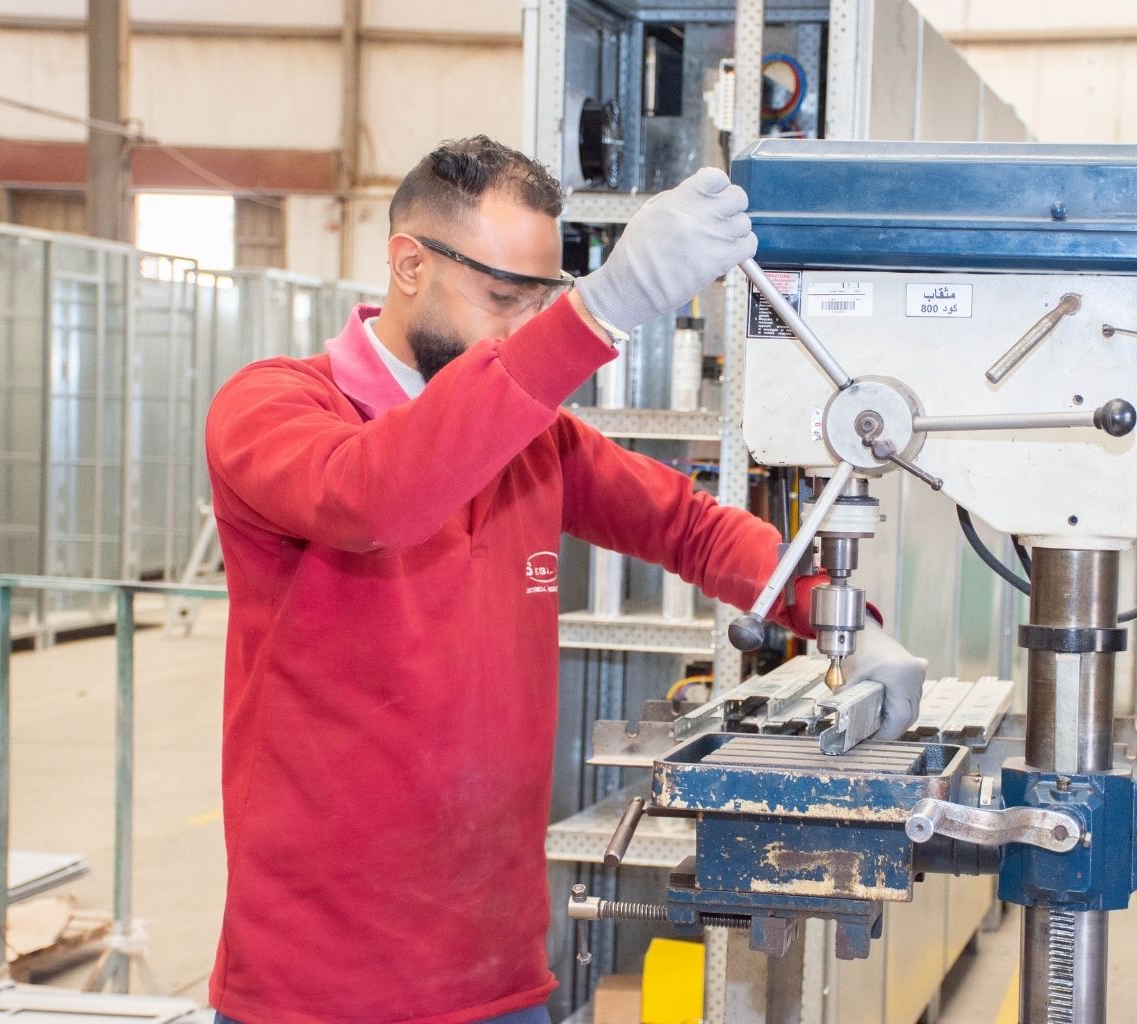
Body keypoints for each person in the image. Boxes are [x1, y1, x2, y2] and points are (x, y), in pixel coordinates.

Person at [203, 135, 924, 1024]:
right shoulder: (272, 407)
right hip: (316, 986)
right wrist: (595, 313)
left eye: (540, 301)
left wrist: (837, 615)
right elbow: (371, 498)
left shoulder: (533, 438)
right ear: (409, 264)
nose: (521, 328)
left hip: (498, 969)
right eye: (502, 298)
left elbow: (686, 524)